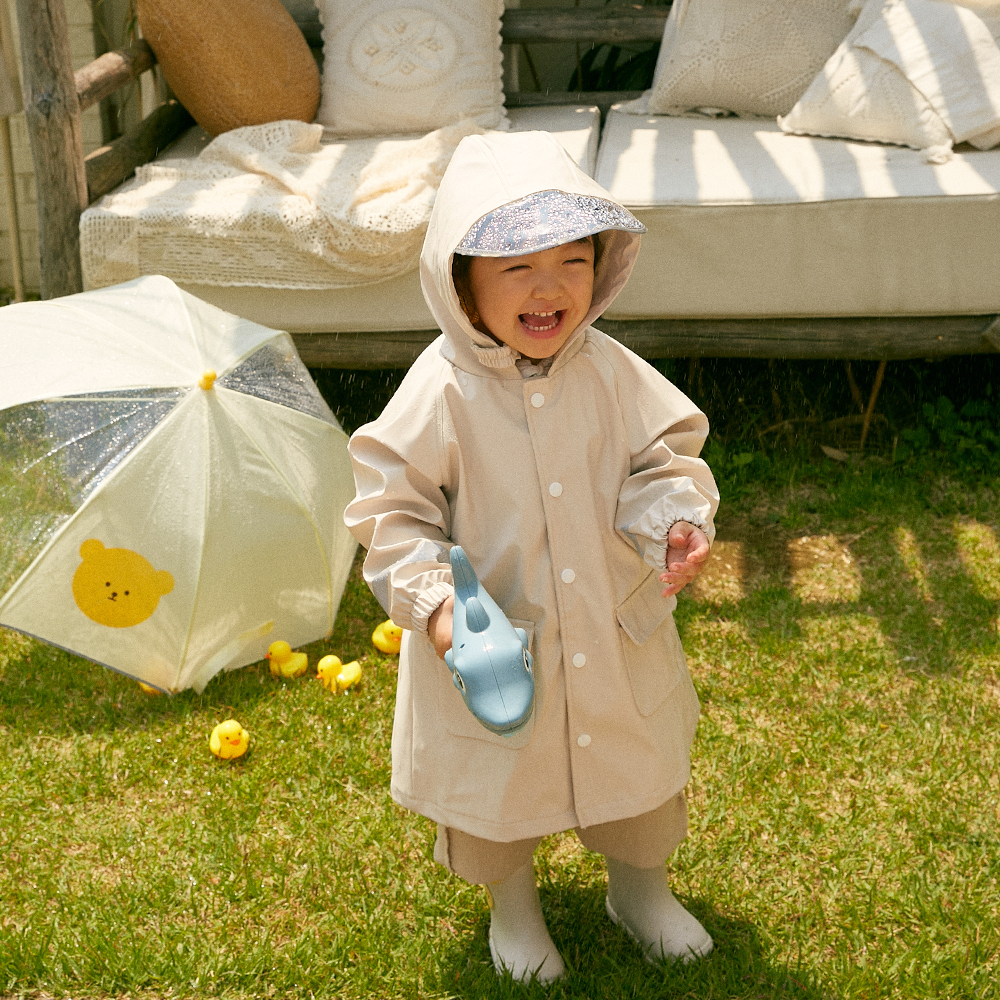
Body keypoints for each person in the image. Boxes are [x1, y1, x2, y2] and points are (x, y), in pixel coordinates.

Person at [344, 130, 719, 984]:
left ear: (603, 265)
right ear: (461, 282)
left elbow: (662, 461)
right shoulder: (441, 390)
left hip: (609, 631)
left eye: (573, 262)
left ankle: (640, 890)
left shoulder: (611, 372)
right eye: (517, 268)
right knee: (496, 792)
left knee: (636, 770)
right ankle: (513, 910)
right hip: (492, 643)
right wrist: (438, 604)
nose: (550, 288)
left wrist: (672, 523)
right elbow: (393, 512)